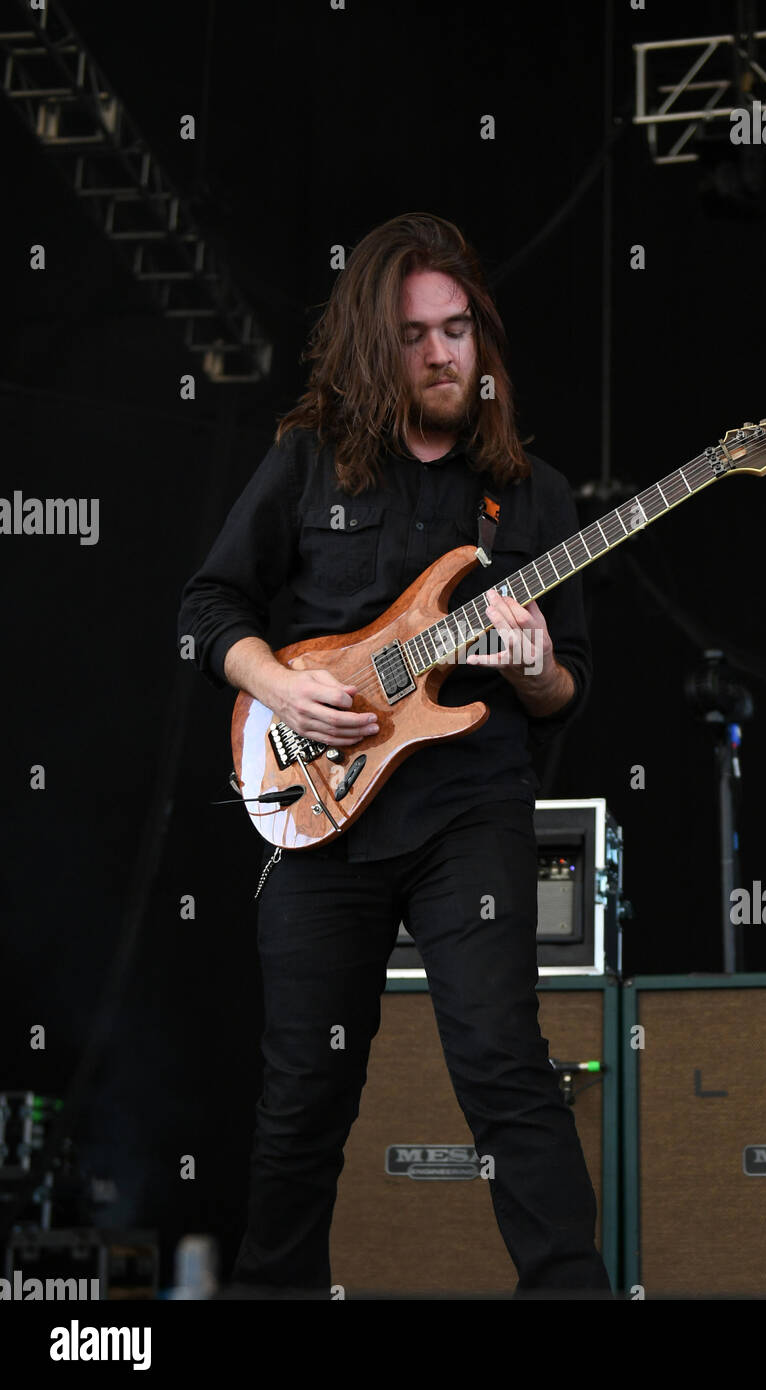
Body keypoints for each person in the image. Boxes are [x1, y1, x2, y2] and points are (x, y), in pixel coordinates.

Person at [177, 212, 610, 1298]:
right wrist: (280, 685)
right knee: (303, 1094)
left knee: (506, 1065)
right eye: (416, 334)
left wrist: (528, 665)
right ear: (378, 345)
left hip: (467, 807)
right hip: (322, 815)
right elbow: (207, 605)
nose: (442, 354)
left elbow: (564, 693)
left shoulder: (535, 499)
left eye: (458, 329)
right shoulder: (307, 463)